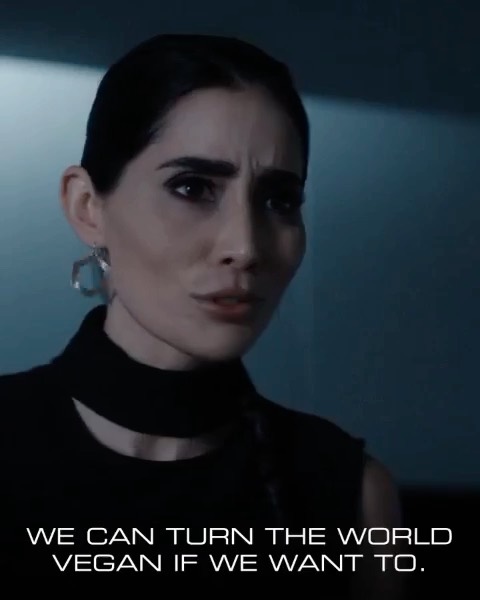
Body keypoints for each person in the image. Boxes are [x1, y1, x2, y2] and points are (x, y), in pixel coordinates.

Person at [0, 34, 403, 594]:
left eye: (279, 200)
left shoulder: (349, 492)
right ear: (88, 208)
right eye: (192, 187)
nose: (246, 246)